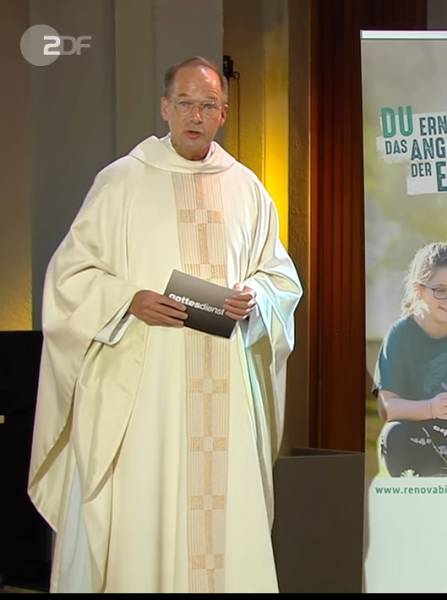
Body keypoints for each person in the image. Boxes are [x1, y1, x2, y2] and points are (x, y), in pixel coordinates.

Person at [27, 57, 303, 593]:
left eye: (206, 106)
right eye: (184, 104)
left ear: (223, 113)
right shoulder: (121, 181)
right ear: (164, 107)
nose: (194, 116)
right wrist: (129, 299)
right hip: (144, 388)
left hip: (224, 389)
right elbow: (70, 275)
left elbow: (281, 278)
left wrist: (257, 297)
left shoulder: (247, 189)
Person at [373, 242, 447, 477]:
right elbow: (387, 408)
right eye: (440, 290)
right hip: (421, 438)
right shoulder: (400, 335)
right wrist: (431, 408)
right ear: (419, 289)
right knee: (394, 435)